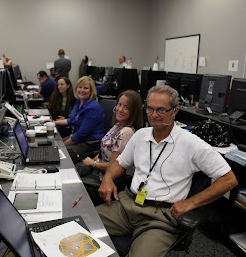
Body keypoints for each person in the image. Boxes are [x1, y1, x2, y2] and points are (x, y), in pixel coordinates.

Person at [96, 85, 237, 256]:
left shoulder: (191, 143)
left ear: (175, 111)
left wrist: (190, 203)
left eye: (161, 110)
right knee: (84, 223)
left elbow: (229, 179)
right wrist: (108, 178)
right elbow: (120, 163)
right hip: (128, 205)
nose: (154, 115)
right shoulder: (140, 135)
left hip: (161, 216)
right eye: (150, 109)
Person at [76, 90, 143, 178]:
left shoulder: (126, 132)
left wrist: (93, 163)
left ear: (134, 111)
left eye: (126, 107)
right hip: (98, 168)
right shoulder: (118, 125)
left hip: (104, 177)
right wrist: (95, 159)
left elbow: (112, 166)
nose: (120, 109)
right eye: (119, 104)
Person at [48, 76, 104, 157]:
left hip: (88, 143)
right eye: (80, 87)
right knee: (52, 144)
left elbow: (82, 133)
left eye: (86, 88)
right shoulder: (78, 102)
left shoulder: (93, 107)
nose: (82, 90)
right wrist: (53, 122)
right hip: (77, 138)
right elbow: (72, 120)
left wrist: (62, 145)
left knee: (56, 152)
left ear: (91, 90)